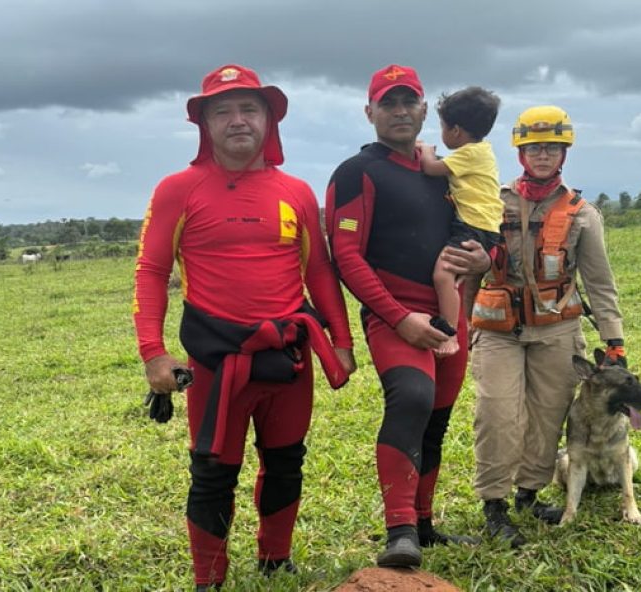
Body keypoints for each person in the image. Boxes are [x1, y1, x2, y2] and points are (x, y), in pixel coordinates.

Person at [133, 64, 356, 590]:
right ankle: (209, 579)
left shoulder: (297, 192)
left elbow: (319, 271)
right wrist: (153, 352)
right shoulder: (177, 190)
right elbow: (152, 270)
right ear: (205, 124)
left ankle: (275, 561)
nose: (237, 120)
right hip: (216, 364)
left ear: (269, 119)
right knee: (212, 472)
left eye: (249, 108)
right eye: (222, 110)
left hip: (287, 359)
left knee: (286, 460)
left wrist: (342, 342)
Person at [325, 64, 491, 568]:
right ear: (370, 111)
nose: (400, 112)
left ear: (424, 111)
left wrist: (485, 262)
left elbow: (478, 232)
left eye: (408, 103)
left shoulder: (447, 168)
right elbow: (346, 254)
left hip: (450, 317)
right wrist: (399, 319)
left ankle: (423, 524)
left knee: (436, 421)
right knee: (412, 400)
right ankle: (399, 531)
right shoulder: (358, 173)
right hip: (394, 317)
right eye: (388, 103)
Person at [470, 105, 625, 547]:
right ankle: (494, 505)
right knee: (497, 414)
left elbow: (599, 281)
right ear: (521, 152)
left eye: (551, 148)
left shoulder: (582, 213)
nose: (543, 155)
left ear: (564, 153)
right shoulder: (492, 203)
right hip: (498, 329)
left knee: (548, 414)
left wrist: (613, 341)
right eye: (534, 147)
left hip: (557, 329)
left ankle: (528, 494)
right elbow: (464, 268)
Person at [418, 86, 503, 357]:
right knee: (452, 277)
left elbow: (430, 168)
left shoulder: (468, 153)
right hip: (483, 226)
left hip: (472, 226)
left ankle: (449, 335)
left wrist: (425, 149)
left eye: (442, 127)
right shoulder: (482, 151)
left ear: (455, 131)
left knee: (442, 275)